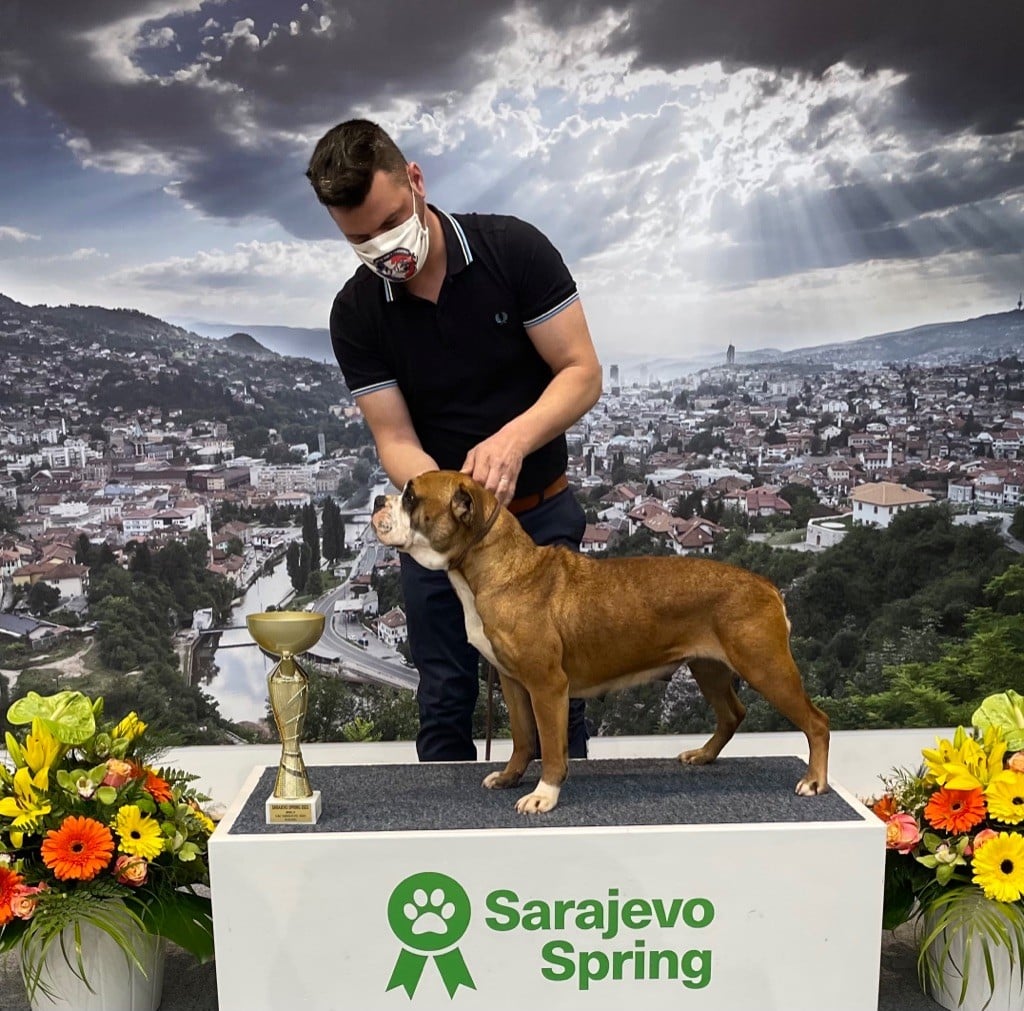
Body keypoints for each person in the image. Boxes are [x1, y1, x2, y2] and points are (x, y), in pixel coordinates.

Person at [306, 119, 602, 762]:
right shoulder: (357, 312)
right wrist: (444, 502)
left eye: (390, 222)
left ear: (415, 179)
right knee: (443, 697)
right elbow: (393, 436)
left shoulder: (512, 250)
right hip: (435, 534)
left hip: (537, 516)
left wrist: (513, 441)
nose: (383, 247)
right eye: (360, 238)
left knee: (557, 689)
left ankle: (563, 809)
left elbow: (581, 372)